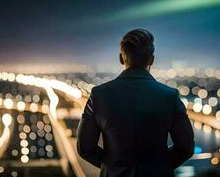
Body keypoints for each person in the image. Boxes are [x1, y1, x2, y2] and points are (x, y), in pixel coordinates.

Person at [77, 29, 194, 177]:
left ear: (121, 58)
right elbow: (186, 148)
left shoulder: (99, 95)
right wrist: (158, 167)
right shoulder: (170, 96)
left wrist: (113, 166)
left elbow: (85, 148)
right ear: (152, 59)